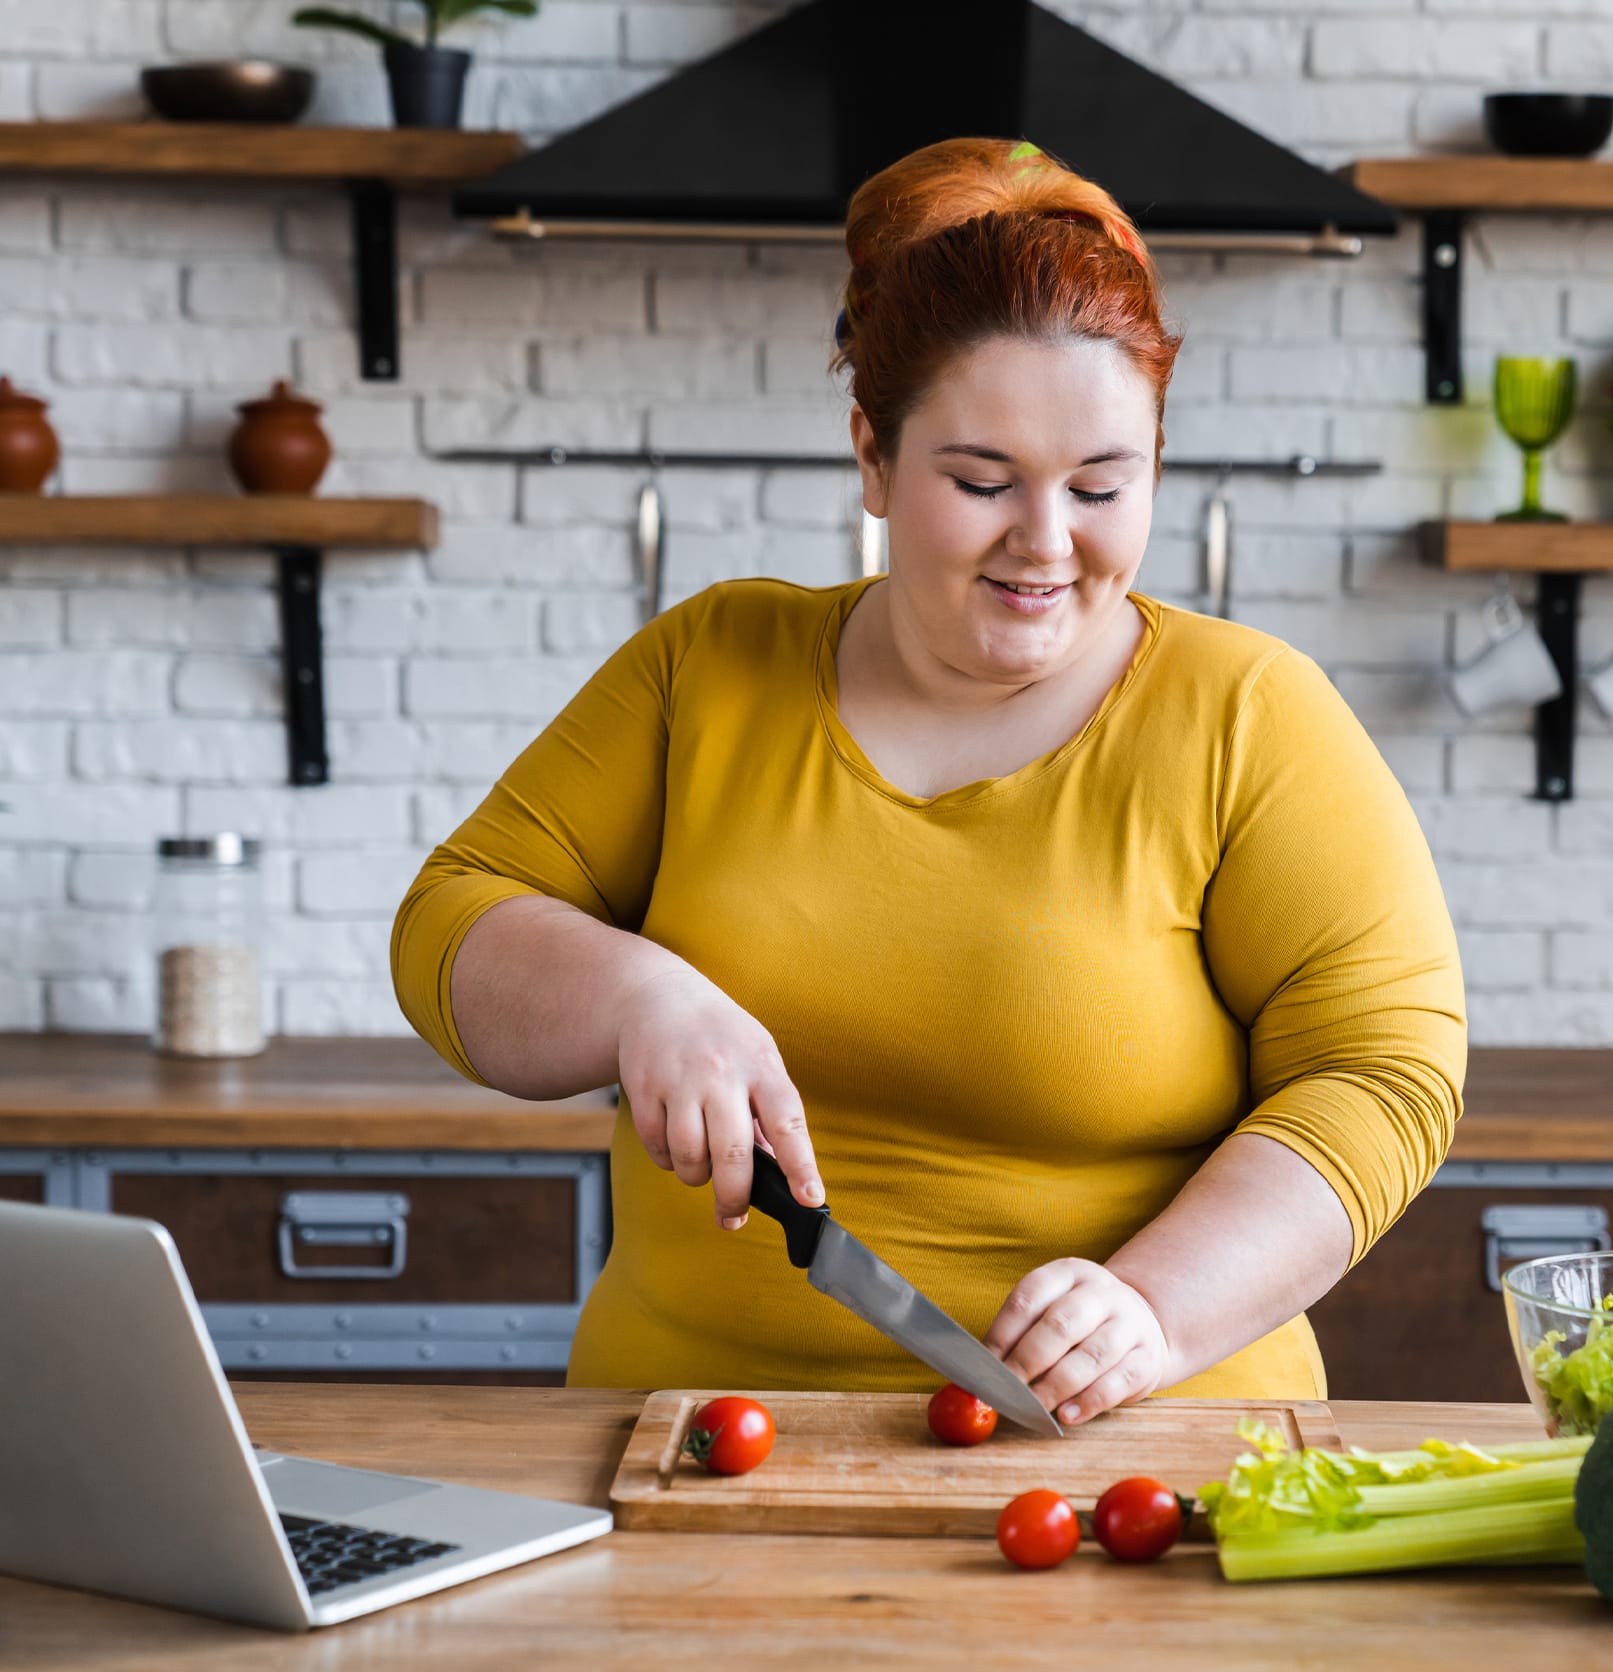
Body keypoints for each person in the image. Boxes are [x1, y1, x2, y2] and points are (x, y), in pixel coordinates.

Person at [392, 137, 1465, 1425]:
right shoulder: (710, 667)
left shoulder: (1249, 717)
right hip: (675, 1444)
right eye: (981, 482)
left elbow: (1385, 1074)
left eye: (1103, 485)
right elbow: (452, 919)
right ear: (872, 459)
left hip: (1131, 1459)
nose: (1048, 542)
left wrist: (1156, 1308)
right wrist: (638, 995)